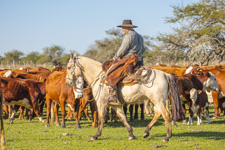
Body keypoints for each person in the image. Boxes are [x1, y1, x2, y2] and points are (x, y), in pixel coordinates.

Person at [106, 19, 145, 103]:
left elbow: (124, 48)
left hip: (128, 59)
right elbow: (143, 49)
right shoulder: (140, 36)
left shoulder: (128, 36)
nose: (122, 29)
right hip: (139, 60)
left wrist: (116, 56)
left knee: (111, 73)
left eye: (123, 27)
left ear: (128, 27)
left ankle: (113, 95)